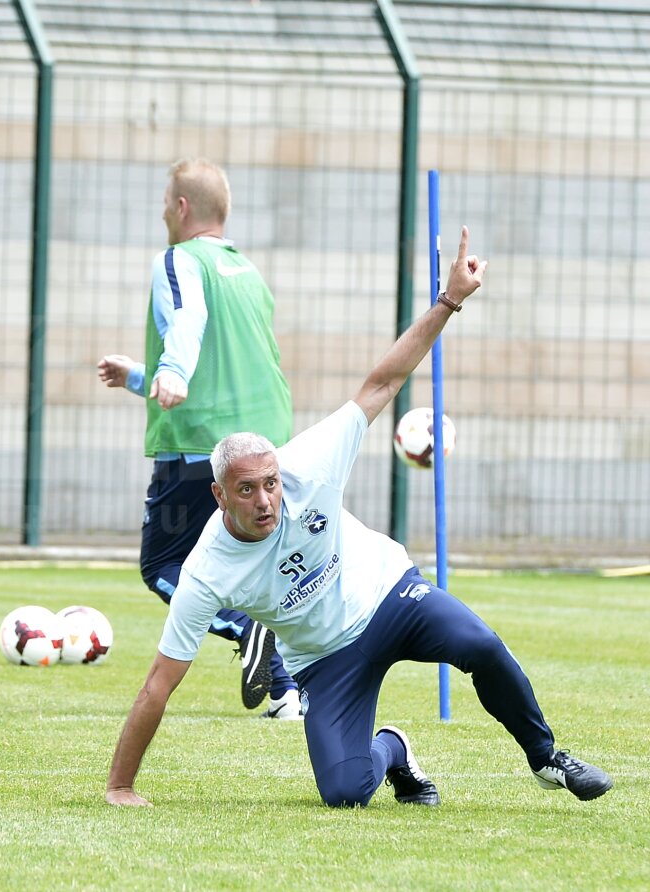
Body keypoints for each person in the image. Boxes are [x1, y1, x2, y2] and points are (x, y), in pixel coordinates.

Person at [106, 226, 613, 808]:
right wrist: (120, 785)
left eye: (270, 483)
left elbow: (383, 381)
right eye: (247, 490)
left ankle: (549, 759)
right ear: (219, 497)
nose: (267, 499)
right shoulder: (205, 571)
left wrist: (449, 301)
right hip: (325, 659)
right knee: (345, 792)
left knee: (481, 644)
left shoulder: (309, 465)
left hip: (391, 594)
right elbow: (159, 685)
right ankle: (394, 749)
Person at [98, 157, 301, 718]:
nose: (163, 210)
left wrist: (174, 373)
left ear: (182, 207)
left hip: (198, 451)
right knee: (261, 567)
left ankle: (244, 628)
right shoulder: (247, 271)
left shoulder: (179, 259)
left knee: (162, 565)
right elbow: (235, 362)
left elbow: (187, 324)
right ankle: (287, 694)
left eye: (167, 200)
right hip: (265, 452)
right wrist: (141, 377)